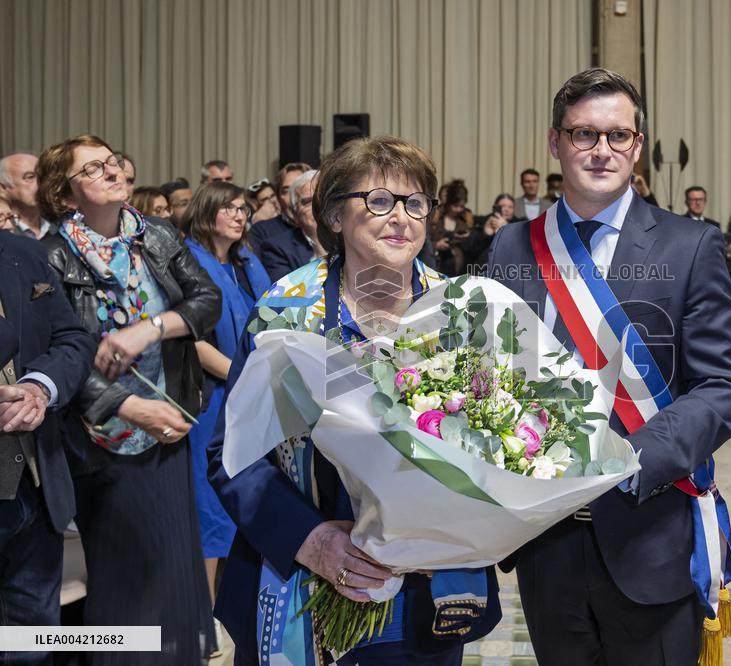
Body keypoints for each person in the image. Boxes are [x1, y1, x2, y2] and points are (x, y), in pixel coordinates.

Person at [487, 67, 731, 665]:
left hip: (648, 528)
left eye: (618, 136)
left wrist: (635, 458)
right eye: (584, 135)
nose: (601, 150)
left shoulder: (691, 246)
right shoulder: (510, 246)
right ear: (555, 143)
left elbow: (724, 386)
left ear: (637, 145)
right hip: (545, 539)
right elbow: (492, 373)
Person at [206, 135, 500, 665]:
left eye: (415, 203)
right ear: (335, 217)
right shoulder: (285, 313)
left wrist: (467, 527)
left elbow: (497, 443)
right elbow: (232, 456)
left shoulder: (462, 312)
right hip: (305, 578)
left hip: (422, 595)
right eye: (380, 201)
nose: (401, 218)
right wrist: (312, 539)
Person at [37, 134, 221, 664]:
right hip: (100, 439)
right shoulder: (50, 255)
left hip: (167, 426)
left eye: (111, 161)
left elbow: (205, 301)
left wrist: (151, 329)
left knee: (176, 580)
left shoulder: (157, 234)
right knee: (127, 584)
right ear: (67, 195)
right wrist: (124, 404)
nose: (112, 171)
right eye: (92, 170)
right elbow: (60, 355)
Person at [0, 230, 95, 665]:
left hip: (36, 489)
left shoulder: (20, 251)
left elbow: (72, 339)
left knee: (32, 646)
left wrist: (40, 386)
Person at [182, 182, 271, 610]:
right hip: (212, 397)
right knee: (210, 509)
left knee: (248, 499)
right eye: (230, 208)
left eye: (243, 209)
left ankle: (233, 607)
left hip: (254, 396)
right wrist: (246, 375)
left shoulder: (245, 263)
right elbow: (193, 344)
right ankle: (204, 615)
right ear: (207, 212)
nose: (240, 215)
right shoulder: (189, 262)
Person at [258, 169, 324, 281]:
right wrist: (318, 240)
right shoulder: (277, 249)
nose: (316, 206)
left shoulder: (347, 236)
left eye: (321, 198)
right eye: (307, 202)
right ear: (294, 214)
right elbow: (291, 295)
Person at [249, 162, 311, 252]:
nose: (293, 197)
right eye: (286, 191)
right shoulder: (262, 231)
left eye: (300, 188)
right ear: (278, 198)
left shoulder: (328, 228)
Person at [0, 152, 55, 239]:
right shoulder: (4, 232)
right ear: (3, 187)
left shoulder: (60, 224)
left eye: (42, 176)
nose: (41, 183)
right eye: (30, 177)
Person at [427, 179, 473, 276]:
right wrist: (437, 245)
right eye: (456, 206)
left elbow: (473, 247)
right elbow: (423, 242)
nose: (459, 209)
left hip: (460, 270)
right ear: (449, 203)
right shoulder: (436, 217)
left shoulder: (465, 218)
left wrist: (467, 237)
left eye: (462, 206)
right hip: (436, 267)